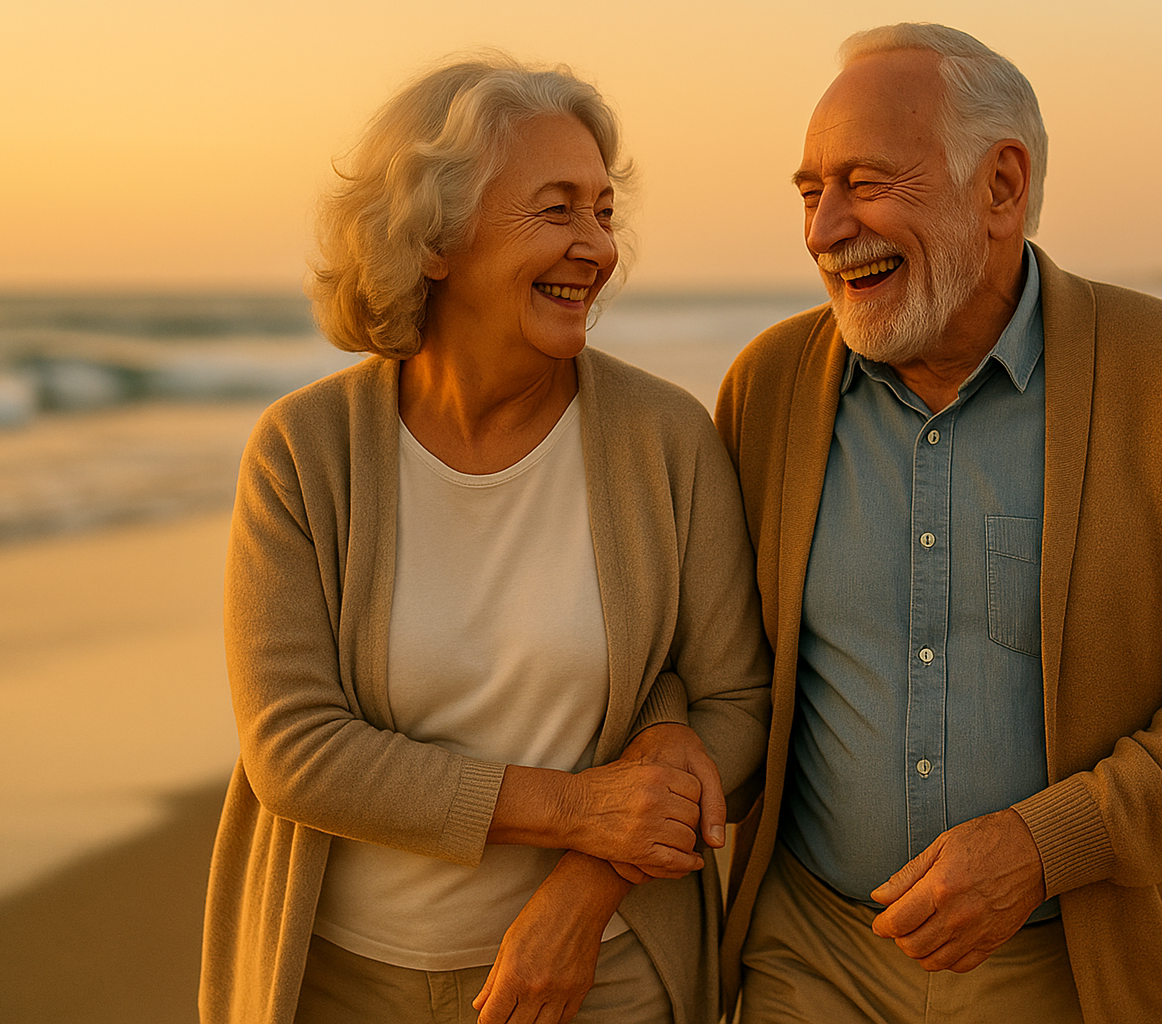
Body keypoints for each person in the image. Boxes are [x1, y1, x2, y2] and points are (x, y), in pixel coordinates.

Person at [715, 22, 1162, 1024]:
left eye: (866, 182)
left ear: (1002, 186)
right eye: (809, 190)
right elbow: (718, 663)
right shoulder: (768, 387)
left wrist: (1047, 846)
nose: (825, 227)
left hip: (1072, 970)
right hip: (811, 957)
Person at [199, 55, 770, 1024]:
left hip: (606, 970)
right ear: (434, 240)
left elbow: (738, 704)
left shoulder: (667, 438)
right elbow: (295, 749)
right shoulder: (303, 451)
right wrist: (580, 807)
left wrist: (580, 895)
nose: (596, 245)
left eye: (602, 210)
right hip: (342, 977)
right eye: (556, 210)